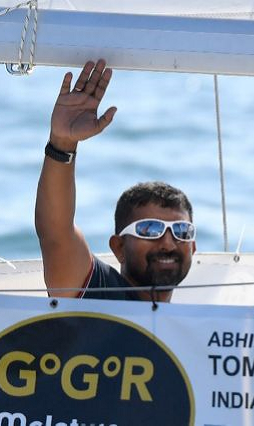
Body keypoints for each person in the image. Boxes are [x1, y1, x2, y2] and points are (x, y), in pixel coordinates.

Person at [35, 59, 196, 302]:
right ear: (119, 247)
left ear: (193, 248)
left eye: (181, 231)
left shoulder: (203, 327)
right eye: (150, 229)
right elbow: (55, 232)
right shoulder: (96, 292)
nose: (168, 243)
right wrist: (62, 143)